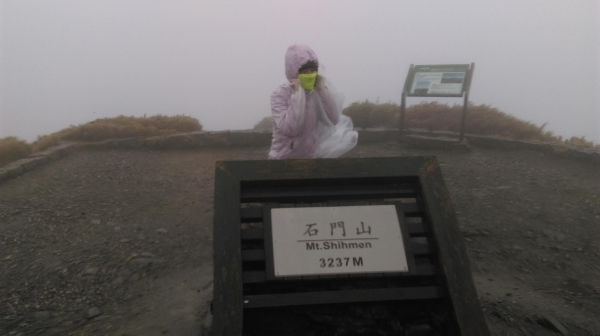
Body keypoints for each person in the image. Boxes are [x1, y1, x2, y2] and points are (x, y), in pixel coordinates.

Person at [268, 44, 358, 159]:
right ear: (293, 72)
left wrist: (322, 91)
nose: (310, 75)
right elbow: (291, 128)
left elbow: (333, 119)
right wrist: (297, 93)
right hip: (284, 158)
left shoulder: (316, 92)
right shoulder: (280, 94)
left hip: (311, 157)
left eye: (313, 70)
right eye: (304, 71)